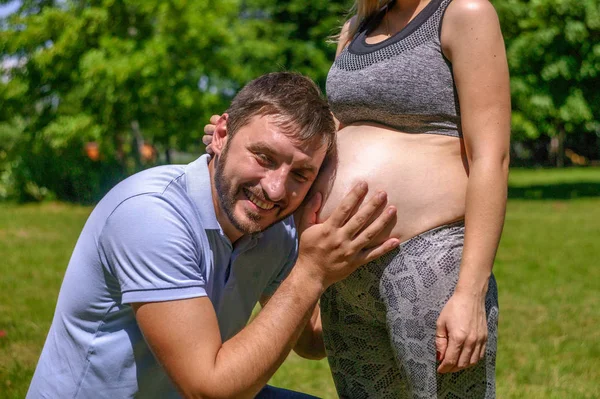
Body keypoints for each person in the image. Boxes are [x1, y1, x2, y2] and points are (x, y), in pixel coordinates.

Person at [26, 72, 401, 399]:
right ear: (222, 134)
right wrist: (311, 273)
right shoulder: (151, 215)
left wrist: (399, 304)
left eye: (300, 175)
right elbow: (210, 389)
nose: (274, 189)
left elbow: (310, 340)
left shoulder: (275, 231)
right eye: (264, 158)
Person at [203, 0, 511, 397]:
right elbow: (326, 135)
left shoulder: (463, 12)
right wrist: (237, 138)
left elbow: (492, 156)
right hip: (343, 269)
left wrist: (470, 293)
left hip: (425, 259)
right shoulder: (356, 28)